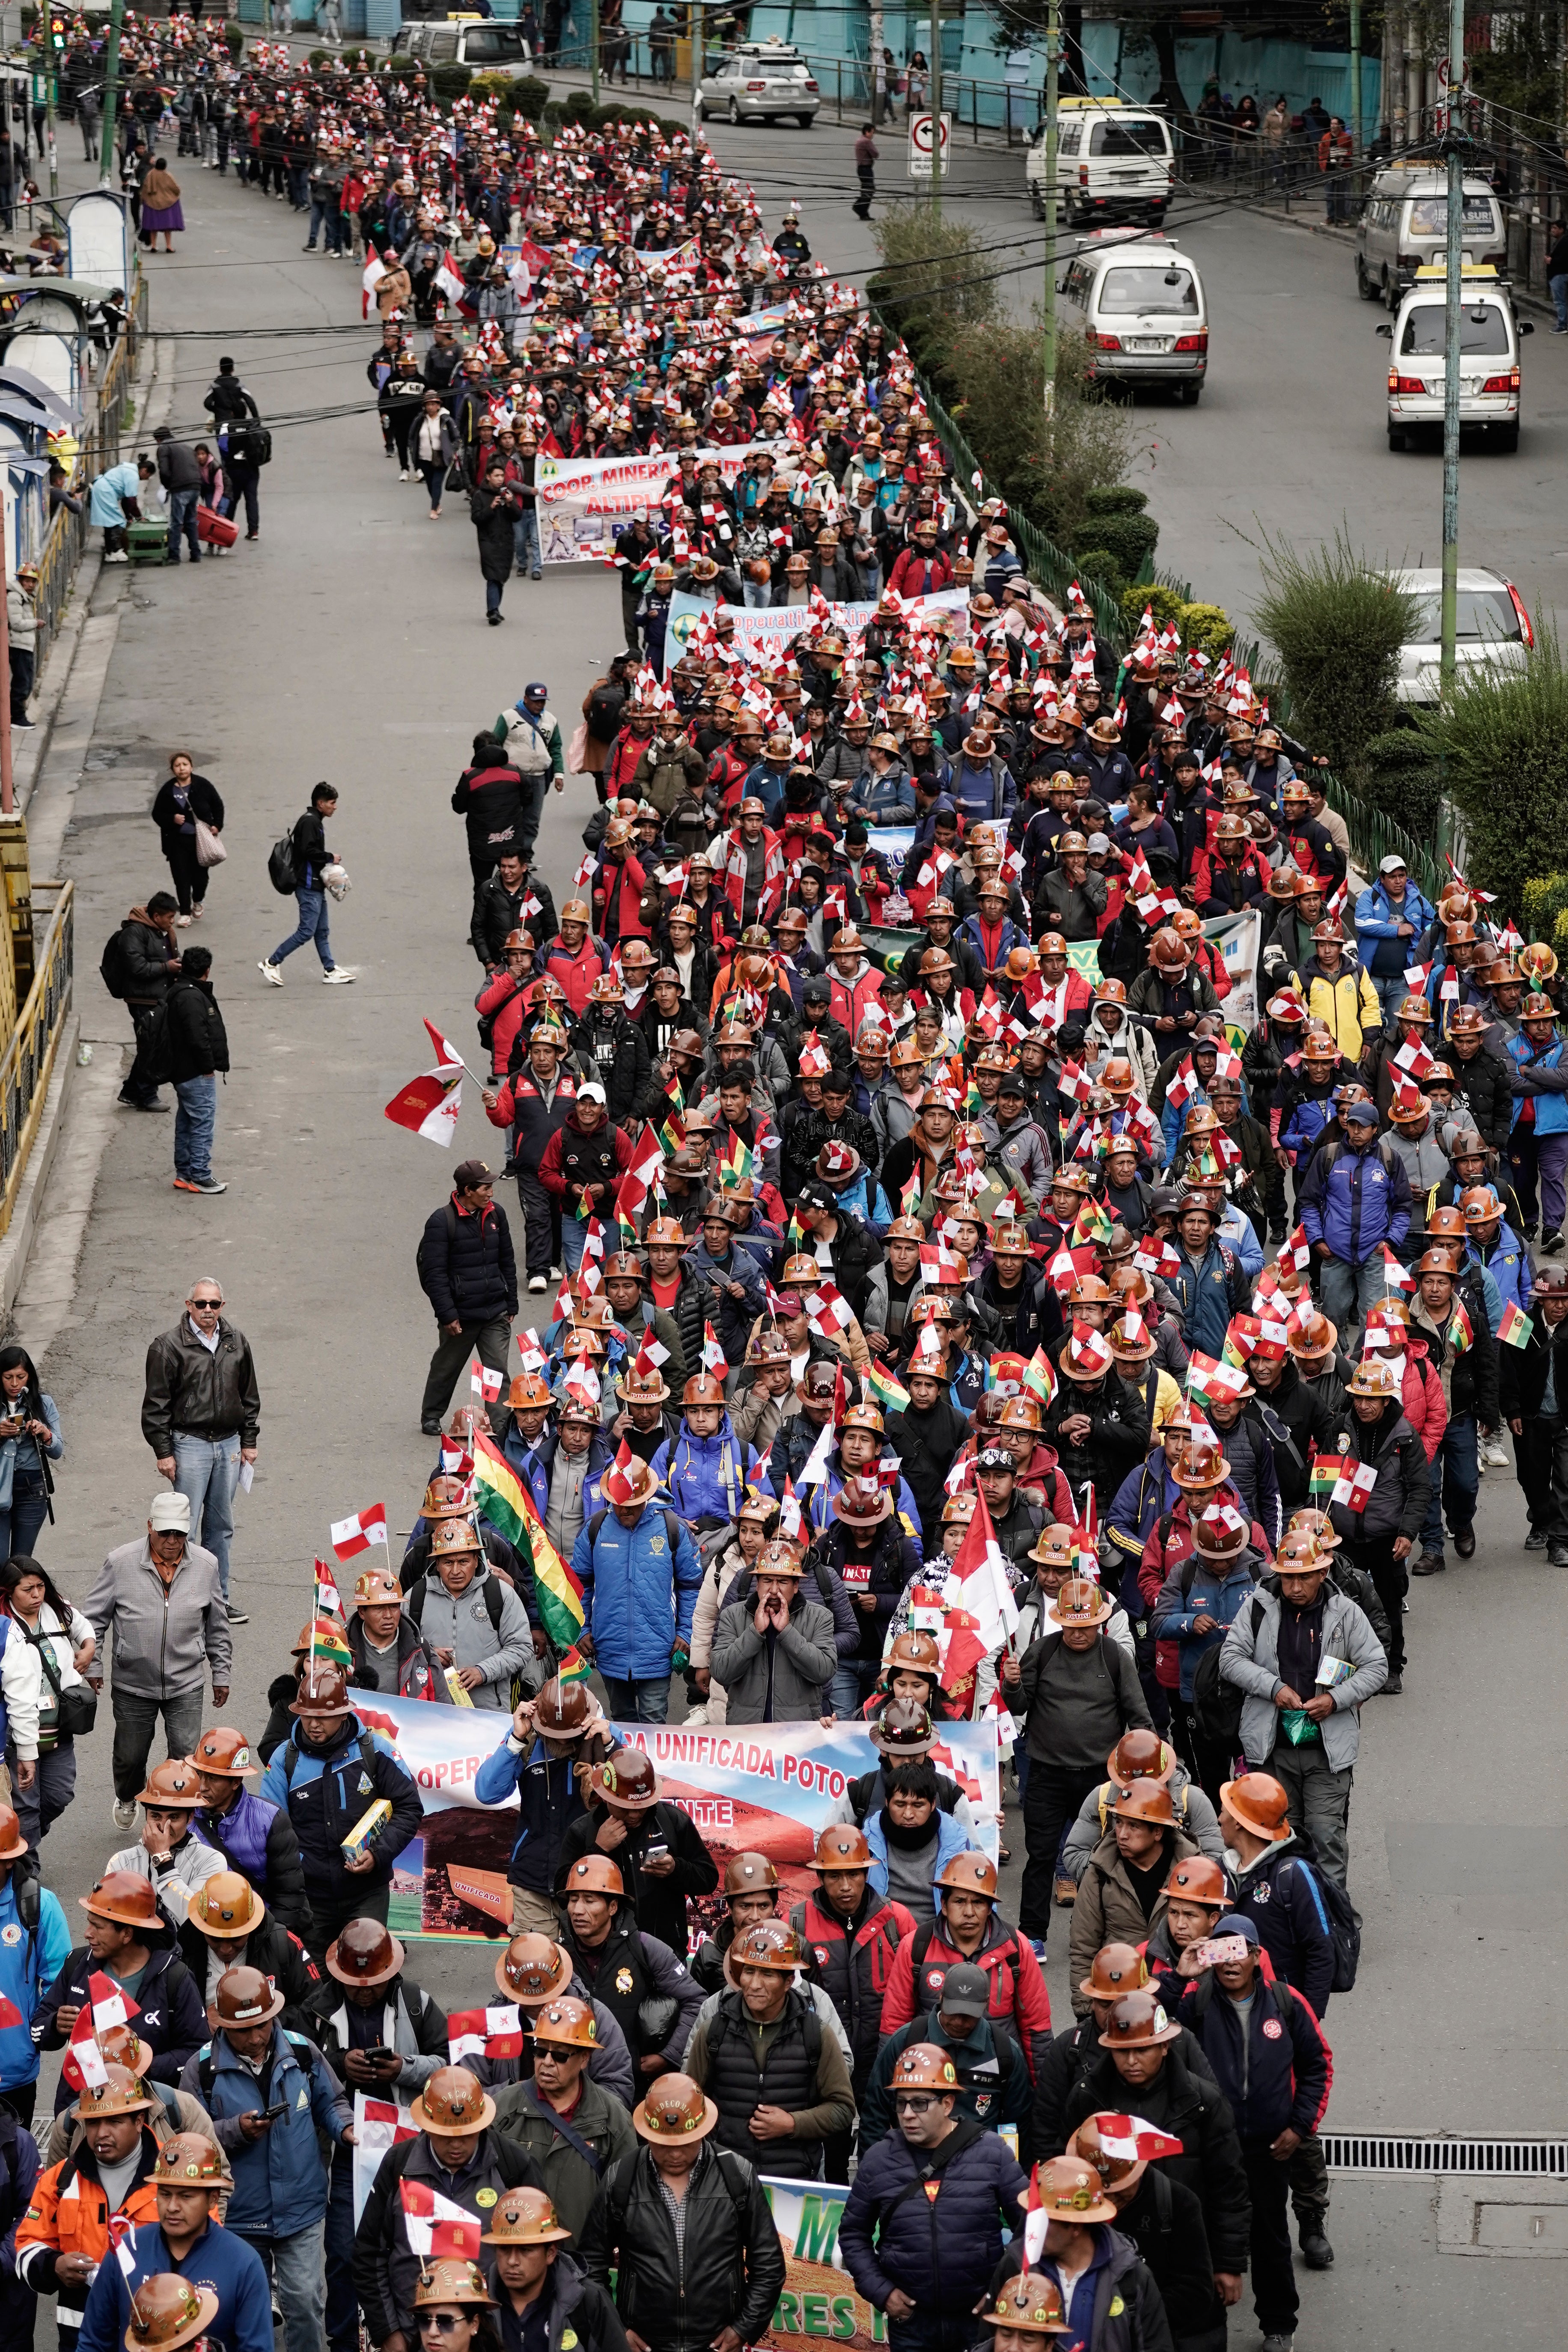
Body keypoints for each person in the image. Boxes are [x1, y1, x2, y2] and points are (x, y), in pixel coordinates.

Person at [1175, 1916, 1332, 2352]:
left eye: (1239, 1950)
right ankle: (1208, 2327)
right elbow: (1153, 2030)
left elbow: (1318, 2066)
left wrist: (1299, 2127)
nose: (1230, 1960)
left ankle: (1279, 2325)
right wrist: (1180, 1974)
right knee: (1208, 2235)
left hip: (1270, 2148)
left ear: (1257, 1956)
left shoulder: (1286, 2003)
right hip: (1212, 2146)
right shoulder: (1196, 2001)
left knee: (1270, 2236)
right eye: (1220, 1950)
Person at [179, 1963, 351, 2352]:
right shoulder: (201, 2070)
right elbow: (188, 2140)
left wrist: (346, 2128)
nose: (257, 2038)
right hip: (239, 2215)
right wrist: (235, 2131)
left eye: (263, 2025)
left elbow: (333, 2101)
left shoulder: (304, 2052)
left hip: (303, 2211)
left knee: (306, 2304)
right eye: (244, 2031)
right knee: (242, 2313)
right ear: (222, 2026)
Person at [578, 2072, 786, 2352]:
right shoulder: (621, 2179)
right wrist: (617, 2330)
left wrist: (744, 2328)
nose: (675, 2154)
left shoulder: (737, 2175)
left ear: (703, 2130)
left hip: (716, 2345)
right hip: (644, 2345)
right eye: (664, 2144)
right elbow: (591, 2266)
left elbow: (769, 2265)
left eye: (685, 2143)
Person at [840, 2041, 1027, 2352]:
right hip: (911, 2327)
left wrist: (1000, 2291)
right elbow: (852, 2235)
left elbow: (1032, 2229)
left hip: (978, 2321)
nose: (907, 2115)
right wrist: (882, 2293)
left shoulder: (992, 2153)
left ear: (948, 2104)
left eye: (920, 2103)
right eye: (901, 2104)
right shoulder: (878, 2160)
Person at [1005, 1574, 1153, 1945]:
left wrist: (1149, 1769)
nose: (1077, 1633)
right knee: (1039, 1858)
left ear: (1099, 1621)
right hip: (1046, 1775)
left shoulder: (1115, 1656)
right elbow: (1019, 1705)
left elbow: (1139, 1717)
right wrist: (1011, 1684)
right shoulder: (1042, 1651)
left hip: (1100, 1780)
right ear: (1060, 1620)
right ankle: (1032, 1936)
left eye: (1085, 1625)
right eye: (1070, 1624)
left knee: (1103, 1859)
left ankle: (1102, 1935)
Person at [354, 2065, 546, 2343]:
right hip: (413, 2336)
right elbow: (368, 2255)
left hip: (492, 2337)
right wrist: (388, 2333)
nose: (456, 2145)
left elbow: (542, 2254)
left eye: (467, 2135)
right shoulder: (398, 2165)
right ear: (427, 2126)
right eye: (445, 2136)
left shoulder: (512, 2166)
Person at [84, 1490, 230, 1830]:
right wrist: (94, 1665)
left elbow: (218, 1626)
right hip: (133, 1684)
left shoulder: (206, 1565)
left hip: (186, 1683)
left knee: (184, 1757)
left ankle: (174, 1822)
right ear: (150, 1527)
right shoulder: (120, 1563)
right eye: (165, 1532)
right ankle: (127, 1795)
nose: (172, 1541)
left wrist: (221, 1673)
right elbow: (93, 1619)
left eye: (179, 1533)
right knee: (130, 1758)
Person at [259, 1662, 423, 1962]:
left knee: (367, 1976)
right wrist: (299, 1874)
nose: (313, 1724)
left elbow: (410, 1808)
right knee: (314, 1990)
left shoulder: (377, 1751)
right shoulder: (284, 1760)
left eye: (323, 1717)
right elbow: (270, 1829)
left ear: (344, 1713)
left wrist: (378, 1853)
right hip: (310, 1900)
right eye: (306, 1715)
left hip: (367, 1893)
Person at [683, 1918, 856, 2182]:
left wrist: (792, 2124)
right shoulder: (713, 2031)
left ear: (789, 1982)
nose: (754, 1984)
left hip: (794, 2184)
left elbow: (843, 2109)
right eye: (749, 1971)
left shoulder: (817, 2034)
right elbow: (690, 2104)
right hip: (725, 2181)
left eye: (768, 1974)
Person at [34, 1871, 206, 2112]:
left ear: (127, 1934)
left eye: (98, 1927)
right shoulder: (77, 1964)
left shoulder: (174, 1978)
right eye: (89, 1922)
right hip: (80, 2115)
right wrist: (55, 2025)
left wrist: (141, 2066)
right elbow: (38, 2028)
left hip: (149, 2116)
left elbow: (198, 2053)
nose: (87, 1933)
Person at [140, 1278, 259, 1622]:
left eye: (215, 1304)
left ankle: (217, 1601)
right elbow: (155, 1406)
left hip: (229, 1443)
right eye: (202, 1304)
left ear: (223, 1306)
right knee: (185, 1528)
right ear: (188, 1305)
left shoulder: (236, 1341)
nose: (208, 1310)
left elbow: (249, 1396)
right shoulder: (167, 1347)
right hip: (189, 1444)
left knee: (221, 1525)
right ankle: (182, 1602)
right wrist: (164, 1452)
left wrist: (248, 1442)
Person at [17, 2060, 158, 2337]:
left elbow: (206, 2251)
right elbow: (26, 2248)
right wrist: (54, 2266)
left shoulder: (173, 2176)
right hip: (81, 2337)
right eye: (92, 2123)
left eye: (114, 2121)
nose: (101, 2133)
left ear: (139, 2120)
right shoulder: (61, 2180)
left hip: (156, 2335)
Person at [74, 2160, 274, 2352]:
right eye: (165, 2194)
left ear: (213, 2198)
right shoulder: (126, 2250)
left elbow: (257, 2347)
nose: (172, 2207)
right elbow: (93, 2341)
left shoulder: (244, 2263)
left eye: (186, 2196)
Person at [570, 1450, 703, 1724]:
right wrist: (583, 1629)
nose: (625, 1510)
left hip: (658, 1649)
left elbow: (692, 1588)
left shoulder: (672, 1528)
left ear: (647, 1496)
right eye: (618, 1504)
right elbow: (578, 1586)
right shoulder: (595, 1528)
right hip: (610, 1649)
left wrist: (686, 1632)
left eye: (633, 1504)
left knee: (654, 1721)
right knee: (621, 1721)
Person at [554, 1749, 719, 1965]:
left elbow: (708, 1879)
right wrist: (598, 1851)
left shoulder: (673, 1822)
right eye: (625, 1808)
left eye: (641, 1807)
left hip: (665, 1953)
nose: (634, 1815)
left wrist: (676, 1870)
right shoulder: (583, 1831)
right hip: (604, 1958)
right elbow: (562, 1892)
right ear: (606, 1798)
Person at [859, 1959, 1032, 2153]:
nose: (959, 2021)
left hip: (979, 2165)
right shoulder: (907, 2041)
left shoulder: (1004, 2052)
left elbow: (1020, 2125)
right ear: (941, 1998)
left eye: (968, 2014)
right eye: (954, 2011)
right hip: (913, 2160)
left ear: (985, 2005)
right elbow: (875, 2113)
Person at [417, 1161, 517, 1438]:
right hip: (460, 1316)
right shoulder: (441, 1222)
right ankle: (431, 1415)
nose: (491, 1194)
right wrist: (447, 1315)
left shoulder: (497, 1215)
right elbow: (434, 1274)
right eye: (485, 1188)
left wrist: (512, 1301)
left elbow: (507, 1260)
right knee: (447, 1367)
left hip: (494, 1312)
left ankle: (498, 1427)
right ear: (468, 1190)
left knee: (496, 1371)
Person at [188, 1724, 311, 1934]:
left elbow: (290, 1899)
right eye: (199, 1774)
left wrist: (265, 1942)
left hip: (259, 1933)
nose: (202, 1786)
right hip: (199, 1932)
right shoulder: (182, 1818)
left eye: (213, 1778)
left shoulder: (272, 1820)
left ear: (236, 1782)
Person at [481, 2186, 628, 2352]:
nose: (512, 2261)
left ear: (551, 2253)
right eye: (504, 2249)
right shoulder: (477, 2305)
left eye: (525, 2250)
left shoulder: (587, 2302)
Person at [709, 1537, 838, 1723]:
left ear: (796, 1586)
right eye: (768, 1581)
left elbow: (824, 1672)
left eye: (783, 1582)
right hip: (747, 1731)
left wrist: (787, 1632)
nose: (774, 1590)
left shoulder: (820, 1617)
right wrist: (755, 1632)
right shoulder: (733, 1615)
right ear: (757, 1584)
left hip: (796, 1731)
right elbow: (721, 1672)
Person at [0, 1797, 69, 2123]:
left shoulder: (40, 1905)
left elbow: (60, 1981)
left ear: (9, 1861)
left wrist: (33, 2031)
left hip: (14, 2074)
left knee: (16, 2162)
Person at [260, 780, 355, 987]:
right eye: (332, 802)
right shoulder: (311, 823)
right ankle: (272, 962)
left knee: (322, 931)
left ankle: (330, 970)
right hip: (308, 886)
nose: (335, 807)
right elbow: (307, 852)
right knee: (307, 931)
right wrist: (331, 857)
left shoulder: (312, 820)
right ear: (321, 804)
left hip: (314, 886)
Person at [163, 947, 229, 1197]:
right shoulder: (191, 998)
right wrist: (207, 1068)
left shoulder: (179, 992)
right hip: (194, 1072)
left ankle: (185, 1174)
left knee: (187, 1121)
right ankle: (200, 1175)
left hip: (182, 1070)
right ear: (207, 970)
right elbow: (198, 1038)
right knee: (202, 1122)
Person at [0, 1343, 63, 1558]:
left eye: (21, 1376)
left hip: (31, 1489)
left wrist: (45, 1433)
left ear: (30, 1377)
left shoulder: (43, 1403)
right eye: (8, 1377)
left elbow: (57, 1450)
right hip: (0, 1484)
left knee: (21, 1562)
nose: (15, 1384)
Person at [151, 753, 224, 924]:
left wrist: (217, 825)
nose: (182, 768)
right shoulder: (168, 790)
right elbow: (157, 814)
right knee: (181, 877)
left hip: (200, 841)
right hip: (176, 842)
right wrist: (172, 819)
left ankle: (198, 900)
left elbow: (218, 805)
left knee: (200, 877)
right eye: (177, 765)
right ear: (173, 770)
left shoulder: (203, 786)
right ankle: (185, 913)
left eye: (185, 764)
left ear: (191, 767)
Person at [154, 432, 204, 566]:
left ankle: (174, 556)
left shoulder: (164, 447)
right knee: (191, 521)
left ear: (159, 440)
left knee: (176, 522)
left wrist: (168, 486)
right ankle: (196, 554)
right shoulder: (185, 446)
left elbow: (164, 471)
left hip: (181, 487)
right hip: (196, 485)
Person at [6, 560, 36, 730]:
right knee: (22, 683)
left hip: (24, 647)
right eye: (27, 581)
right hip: (18, 647)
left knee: (26, 683)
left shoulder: (24, 597)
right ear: (20, 581)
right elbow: (16, 624)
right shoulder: (15, 597)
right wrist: (35, 623)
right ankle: (17, 717)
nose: (30, 585)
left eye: (33, 582)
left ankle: (17, 716)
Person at [853, 123, 878, 218]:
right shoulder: (866, 142)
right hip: (866, 169)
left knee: (866, 190)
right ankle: (860, 208)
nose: (873, 135)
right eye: (872, 132)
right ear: (867, 132)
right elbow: (876, 154)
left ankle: (863, 211)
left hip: (861, 169)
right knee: (869, 190)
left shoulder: (859, 140)